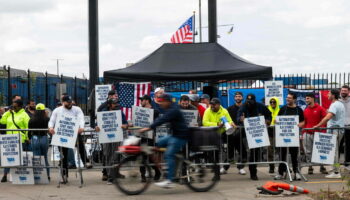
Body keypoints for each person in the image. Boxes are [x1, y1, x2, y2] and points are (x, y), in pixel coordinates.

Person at [138, 93, 188, 188]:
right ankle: (168, 164)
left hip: (181, 136)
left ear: (167, 101)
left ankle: (169, 180)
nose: (160, 104)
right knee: (159, 143)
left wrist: (147, 128)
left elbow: (162, 120)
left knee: (169, 154)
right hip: (174, 135)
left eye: (162, 102)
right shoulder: (168, 108)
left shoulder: (173, 110)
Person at [48, 95, 90, 183]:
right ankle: (64, 175)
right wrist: (51, 127)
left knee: (81, 146)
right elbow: (52, 120)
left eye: (71, 101)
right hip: (62, 134)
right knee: (64, 155)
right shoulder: (57, 110)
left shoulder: (77, 109)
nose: (70, 103)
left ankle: (86, 161)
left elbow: (81, 118)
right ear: (63, 102)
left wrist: (82, 127)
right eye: (68, 102)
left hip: (74, 133)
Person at [237, 94, 271, 180]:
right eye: (248, 102)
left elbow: (269, 114)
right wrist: (241, 119)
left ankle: (253, 171)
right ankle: (252, 172)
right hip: (246, 133)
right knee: (250, 153)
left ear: (254, 101)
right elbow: (238, 117)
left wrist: (268, 121)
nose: (249, 103)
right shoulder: (243, 106)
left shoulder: (260, 106)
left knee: (256, 153)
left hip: (258, 133)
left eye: (251, 102)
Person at [95, 98, 128, 184]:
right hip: (106, 138)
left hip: (116, 137)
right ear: (109, 104)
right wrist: (96, 127)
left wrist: (126, 125)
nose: (116, 105)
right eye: (114, 104)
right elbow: (97, 124)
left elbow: (126, 123)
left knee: (115, 156)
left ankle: (111, 176)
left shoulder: (120, 112)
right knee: (107, 155)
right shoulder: (103, 112)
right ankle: (111, 174)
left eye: (117, 103)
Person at [314, 89, 345, 178]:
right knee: (335, 151)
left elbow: (328, 117)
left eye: (329, 94)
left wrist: (318, 125)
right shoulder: (339, 104)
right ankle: (335, 170)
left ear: (333, 95)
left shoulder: (334, 105)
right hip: (338, 130)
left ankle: (336, 173)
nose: (327, 95)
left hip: (335, 130)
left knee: (334, 152)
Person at [274, 93, 304, 181]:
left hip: (293, 136)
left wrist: (299, 125)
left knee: (294, 155)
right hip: (283, 136)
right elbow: (277, 120)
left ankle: (296, 172)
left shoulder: (299, 110)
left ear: (294, 99)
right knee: (282, 155)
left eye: (290, 98)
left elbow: (303, 122)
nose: (287, 99)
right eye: (287, 98)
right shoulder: (283, 108)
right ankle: (281, 173)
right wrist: (276, 121)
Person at [202, 98, 236, 176]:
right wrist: (216, 124)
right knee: (215, 152)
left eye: (214, 104)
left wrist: (231, 123)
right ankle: (215, 169)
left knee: (232, 137)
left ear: (219, 105)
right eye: (211, 104)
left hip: (222, 132)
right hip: (212, 133)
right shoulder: (207, 111)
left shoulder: (224, 111)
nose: (212, 106)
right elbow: (204, 122)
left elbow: (229, 120)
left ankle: (230, 157)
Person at [0, 99, 30, 182]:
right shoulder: (10, 114)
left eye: (15, 106)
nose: (13, 107)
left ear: (20, 106)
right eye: (12, 106)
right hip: (10, 140)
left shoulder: (24, 115)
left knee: (20, 159)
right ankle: (5, 175)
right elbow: (2, 121)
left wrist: (27, 137)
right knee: (8, 158)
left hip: (21, 139)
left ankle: (20, 175)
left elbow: (27, 127)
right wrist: (7, 112)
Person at [302, 93, 328, 175]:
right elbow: (304, 122)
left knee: (320, 151)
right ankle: (310, 167)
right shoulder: (305, 110)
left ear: (313, 98)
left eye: (308, 98)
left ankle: (322, 166)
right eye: (306, 98)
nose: (306, 100)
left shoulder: (320, 108)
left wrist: (322, 130)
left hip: (318, 133)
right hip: (307, 133)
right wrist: (303, 132)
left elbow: (325, 119)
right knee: (308, 151)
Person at [138, 94, 162, 182]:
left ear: (147, 101)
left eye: (142, 100)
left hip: (150, 137)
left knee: (150, 156)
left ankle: (157, 171)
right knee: (142, 156)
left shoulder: (154, 111)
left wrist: (147, 112)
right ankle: (142, 175)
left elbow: (157, 113)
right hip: (142, 136)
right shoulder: (140, 111)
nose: (140, 102)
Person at [226, 92, 247, 175]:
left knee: (243, 152)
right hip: (232, 134)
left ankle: (240, 167)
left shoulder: (245, 108)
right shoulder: (229, 108)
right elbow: (227, 120)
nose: (238, 98)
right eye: (236, 96)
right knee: (230, 152)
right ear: (234, 98)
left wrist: (245, 119)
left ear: (242, 98)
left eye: (239, 96)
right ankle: (225, 167)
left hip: (243, 134)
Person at [29, 103, 51, 181]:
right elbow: (50, 128)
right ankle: (47, 176)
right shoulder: (47, 119)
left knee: (36, 158)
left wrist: (28, 138)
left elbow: (29, 131)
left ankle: (38, 177)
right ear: (43, 110)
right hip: (44, 138)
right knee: (45, 157)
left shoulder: (32, 119)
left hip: (34, 138)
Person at [266, 97, 280, 173]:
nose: (272, 104)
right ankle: (271, 166)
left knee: (280, 150)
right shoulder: (267, 110)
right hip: (270, 132)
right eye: (271, 102)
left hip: (278, 132)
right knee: (270, 150)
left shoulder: (280, 110)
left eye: (274, 102)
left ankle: (283, 166)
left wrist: (277, 121)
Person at [340, 85, 350, 170]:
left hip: (349, 127)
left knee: (348, 146)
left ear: (348, 92)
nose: (343, 92)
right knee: (337, 148)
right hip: (339, 127)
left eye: (345, 90)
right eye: (342, 90)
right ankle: (336, 167)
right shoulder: (337, 101)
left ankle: (347, 165)